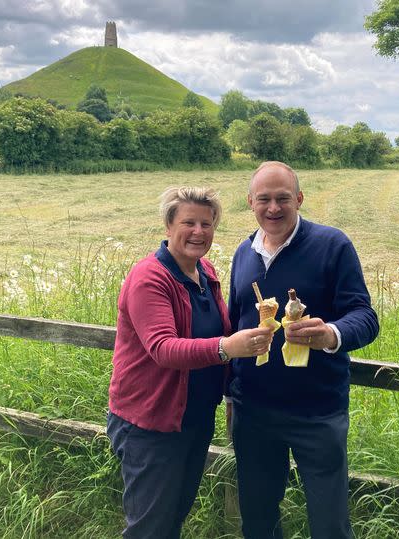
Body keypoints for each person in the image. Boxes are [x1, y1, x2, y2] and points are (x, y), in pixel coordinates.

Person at [106, 186, 274, 539]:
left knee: (174, 515)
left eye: (207, 223)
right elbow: (164, 348)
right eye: (188, 222)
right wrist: (227, 348)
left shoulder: (205, 271)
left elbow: (218, 328)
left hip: (193, 418)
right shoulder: (150, 278)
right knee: (149, 527)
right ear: (168, 226)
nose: (198, 232)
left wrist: (230, 391)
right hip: (151, 423)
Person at [227, 162, 380, 538]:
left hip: (317, 411)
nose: (273, 208)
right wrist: (232, 393)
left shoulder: (332, 245)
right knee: (258, 518)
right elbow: (234, 324)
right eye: (264, 199)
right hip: (254, 411)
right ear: (250, 202)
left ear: (299, 199)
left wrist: (330, 334)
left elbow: (364, 315)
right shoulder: (243, 254)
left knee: (329, 523)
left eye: (283, 198)